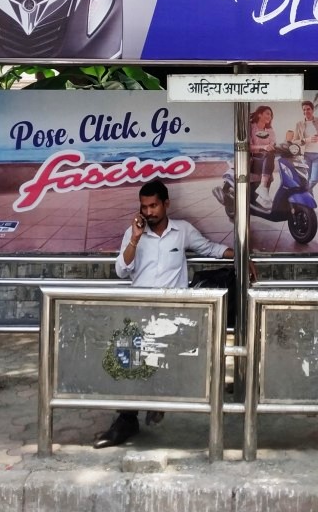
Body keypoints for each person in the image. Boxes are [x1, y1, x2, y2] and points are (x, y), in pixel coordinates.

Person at [93, 180, 233, 449]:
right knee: (127, 362)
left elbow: (209, 248)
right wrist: (134, 239)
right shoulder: (133, 233)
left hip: (172, 314)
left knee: (163, 360)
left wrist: (239, 255)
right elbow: (121, 270)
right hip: (139, 309)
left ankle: (156, 402)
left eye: (154, 205)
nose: (149, 212)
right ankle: (126, 419)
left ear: (166, 204)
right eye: (144, 207)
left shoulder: (182, 231)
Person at [249, 105, 277, 208]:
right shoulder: (251, 126)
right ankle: (262, 188)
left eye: (271, 115)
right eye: (267, 113)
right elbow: (247, 146)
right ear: (259, 114)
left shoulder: (270, 130)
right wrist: (264, 147)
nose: (270, 116)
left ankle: (262, 188)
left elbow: (273, 144)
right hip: (253, 158)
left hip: (266, 159)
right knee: (268, 155)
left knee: (270, 155)